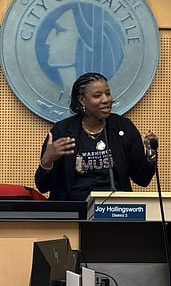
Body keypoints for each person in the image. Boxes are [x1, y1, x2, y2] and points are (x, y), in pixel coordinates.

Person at [35, 72, 158, 201]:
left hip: (116, 210)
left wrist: (150, 154)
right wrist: (47, 162)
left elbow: (142, 179)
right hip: (73, 209)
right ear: (82, 100)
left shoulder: (123, 128)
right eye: (97, 96)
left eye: (108, 93)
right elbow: (43, 186)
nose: (106, 100)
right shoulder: (63, 131)